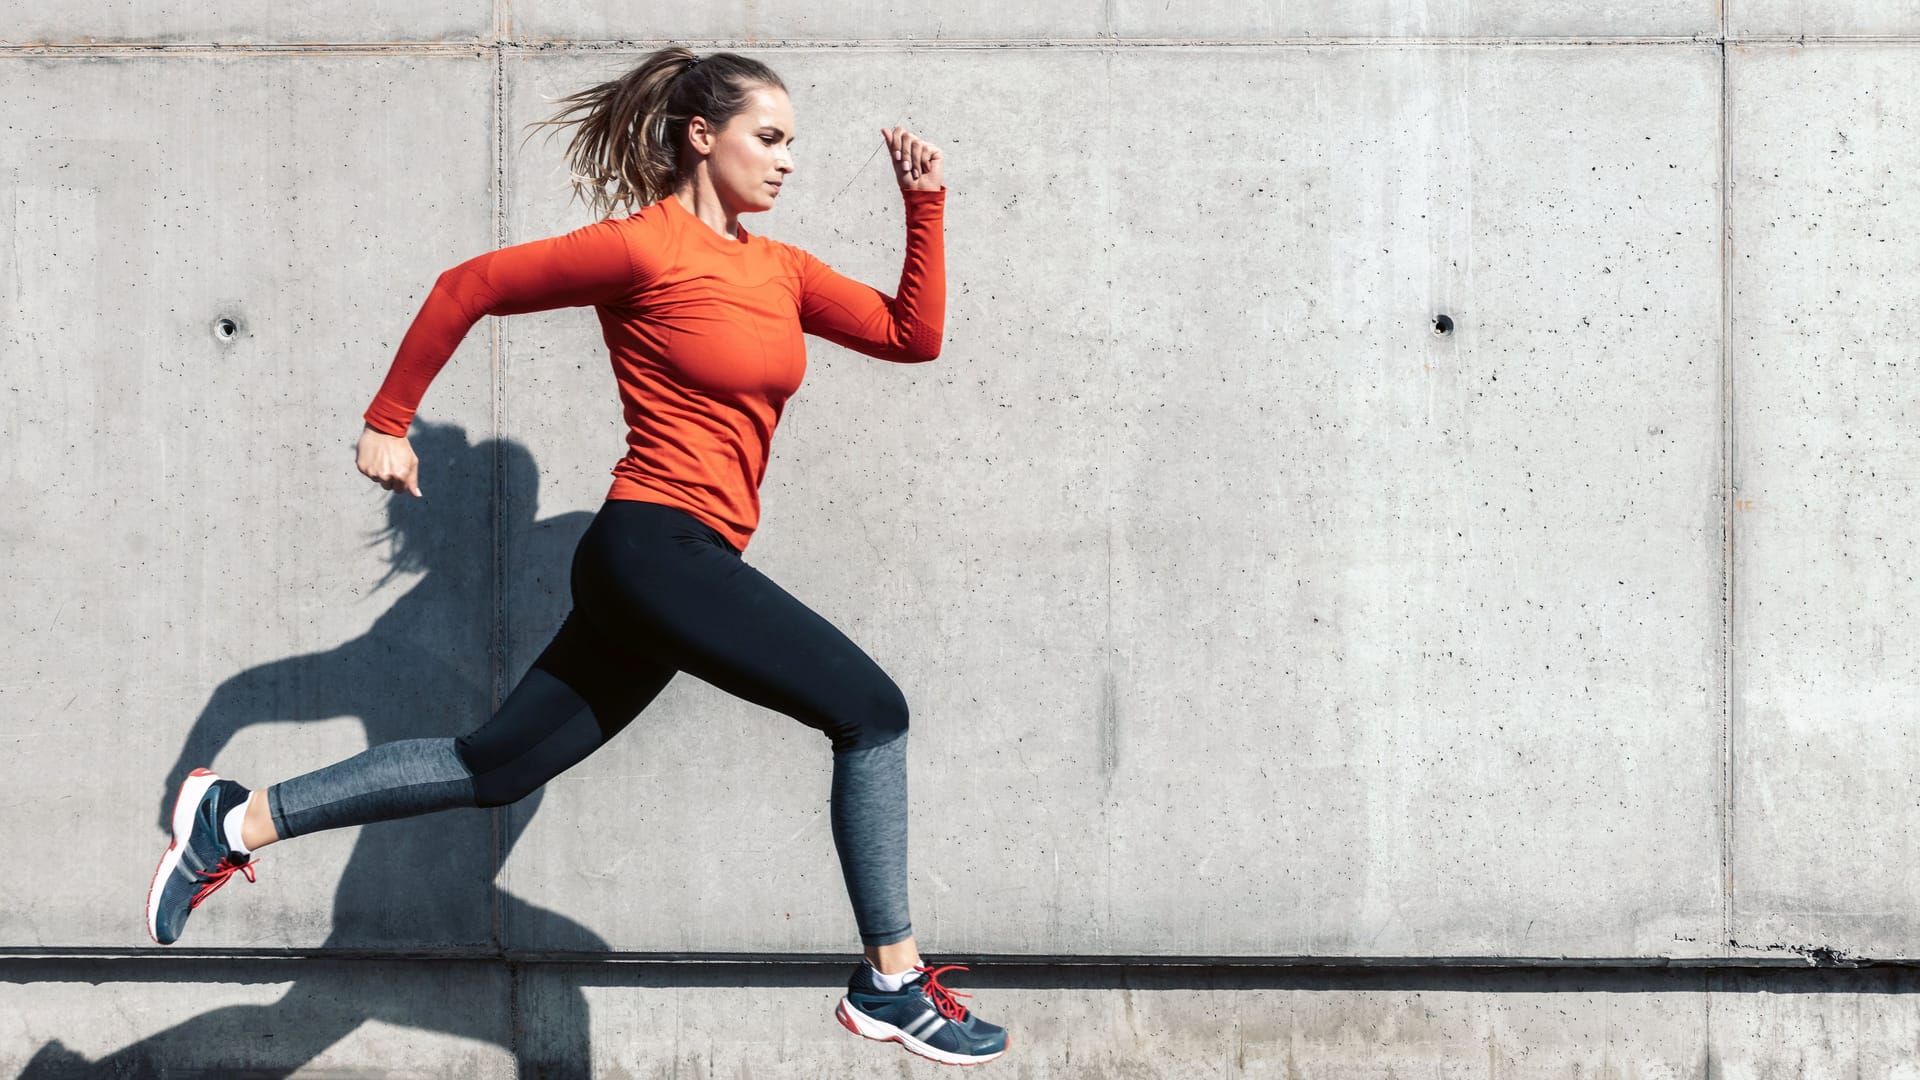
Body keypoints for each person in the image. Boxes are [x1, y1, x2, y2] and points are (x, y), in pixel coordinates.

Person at [145, 46, 1007, 1067]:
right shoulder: (642, 250)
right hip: (655, 545)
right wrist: (390, 420)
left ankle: (232, 824)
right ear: (703, 136)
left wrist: (927, 201)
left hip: (674, 563)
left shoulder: (781, 271)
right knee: (872, 713)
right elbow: (469, 286)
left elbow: (915, 336)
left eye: (792, 145)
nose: (787, 163)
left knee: (492, 766)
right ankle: (892, 982)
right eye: (768, 139)